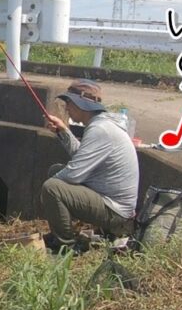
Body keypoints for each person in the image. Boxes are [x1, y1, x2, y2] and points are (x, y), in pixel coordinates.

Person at [41, 79, 139, 250]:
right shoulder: (102, 125)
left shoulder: (100, 130)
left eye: (68, 104)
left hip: (115, 212)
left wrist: (46, 192)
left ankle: (67, 246)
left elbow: (74, 174)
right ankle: (64, 231)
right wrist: (64, 131)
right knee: (55, 173)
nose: (67, 109)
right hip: (112, 204)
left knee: (52, 188)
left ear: (81, 105)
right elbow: (82, 157)